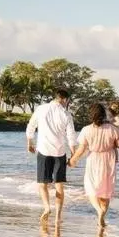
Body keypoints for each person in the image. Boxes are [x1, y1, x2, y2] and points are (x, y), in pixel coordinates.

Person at [68, 103, 119, 228]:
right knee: (106, 188)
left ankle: (99, 211)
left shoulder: (86, 130)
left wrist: (72, 160)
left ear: (91, 115)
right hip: (109, 159)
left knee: (91, 188)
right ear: (103, 114)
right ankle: (102, 214)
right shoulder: (113, 129)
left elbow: (81, 149)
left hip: (94, 158)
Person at [26, 88, 77, 221]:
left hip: (43, 150)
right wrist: (73, 155)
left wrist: (29, 143)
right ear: (65, 99)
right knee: (59, 185)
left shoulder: (41, 109)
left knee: (43, 183)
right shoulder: (66, 115)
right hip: (59, 152)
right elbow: (71, 136)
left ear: (56, 97)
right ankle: (58, 216)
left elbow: (31, 126)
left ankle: (47, 207)